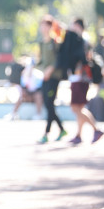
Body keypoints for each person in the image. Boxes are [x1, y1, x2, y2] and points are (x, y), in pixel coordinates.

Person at [59, 18, 104, 145]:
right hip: (78, 78)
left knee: (75, 107)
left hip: (80, 78)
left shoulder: (82, 40)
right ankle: (79, 135)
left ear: (78, 26)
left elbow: (83, 59)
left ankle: (96, 129)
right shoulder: (79, 40)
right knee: (79, 107)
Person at [37, 15, 66, 143]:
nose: (43, 28)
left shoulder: (55, 42)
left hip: (54, 78)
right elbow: (40, 61)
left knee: (49, 104)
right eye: (41, 25)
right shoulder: (41, 43)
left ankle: (46, 134)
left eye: (45, 25)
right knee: (48, 104)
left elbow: (59, 60)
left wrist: (51, 69)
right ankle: (61, 129)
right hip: (45, 78)